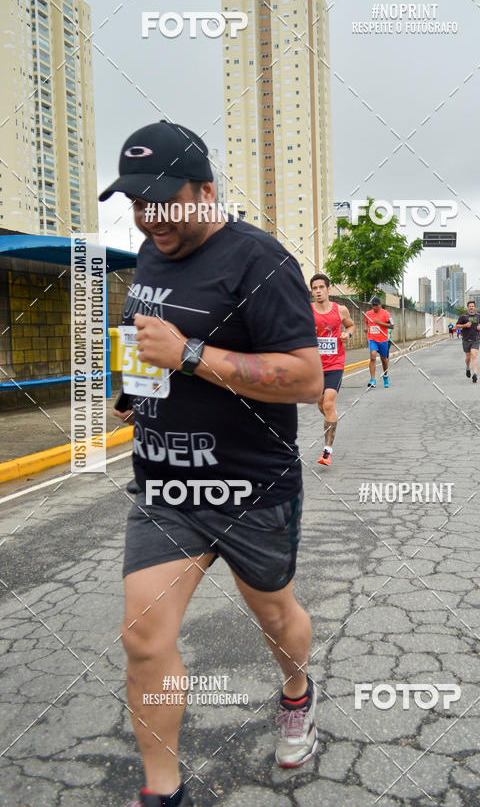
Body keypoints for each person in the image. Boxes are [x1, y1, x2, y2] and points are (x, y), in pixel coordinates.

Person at [103, 120, 323, 807]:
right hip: (166, 486)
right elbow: (153, 339)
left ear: (205, 190)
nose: (149, 217)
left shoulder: (261, 262)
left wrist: (191, 356)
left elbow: (306, 378)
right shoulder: (150, 253)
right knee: (144, 636)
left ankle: (296, 691)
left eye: (162, 201)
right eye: (136, 201)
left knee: (277, 619)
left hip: (251, 486)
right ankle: (161, 792)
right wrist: (134, 390)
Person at [310, 273, 355, 466]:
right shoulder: (306, 310)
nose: (318, 291)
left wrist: (348, 334)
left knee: (328, 403)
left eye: (321, 287)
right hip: (314, 366)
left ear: (329, 289)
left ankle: (327, 451)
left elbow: (351, 325)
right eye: (314, 288)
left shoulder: (341, 310)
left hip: (335, 363)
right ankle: (332, 420)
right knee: (322, 405)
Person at [364, 297, 394, 388]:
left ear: (380, 305)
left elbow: (392, 326)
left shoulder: (386, 314)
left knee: (384, 359)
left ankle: (385, 376)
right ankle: (372, 380)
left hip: (383, 340)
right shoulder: (368, 313)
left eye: (376, 305)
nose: (374, 307)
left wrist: (380, 323)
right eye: (373, 305)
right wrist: (366, 328)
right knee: (373, 356)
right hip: (372, 339)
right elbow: (366, 322)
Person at [456, 301, 480, 383]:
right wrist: (465, 325)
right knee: (468, 357)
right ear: (468, 307)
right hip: (466, 339)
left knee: (474, 355)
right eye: (470, 306)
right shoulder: (463, 317)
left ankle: (475, 374)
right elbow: (457, 325)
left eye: (472, 306)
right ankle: (468, 367)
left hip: (476, 339)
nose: (471, 307)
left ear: (475, 307)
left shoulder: (478, 316)